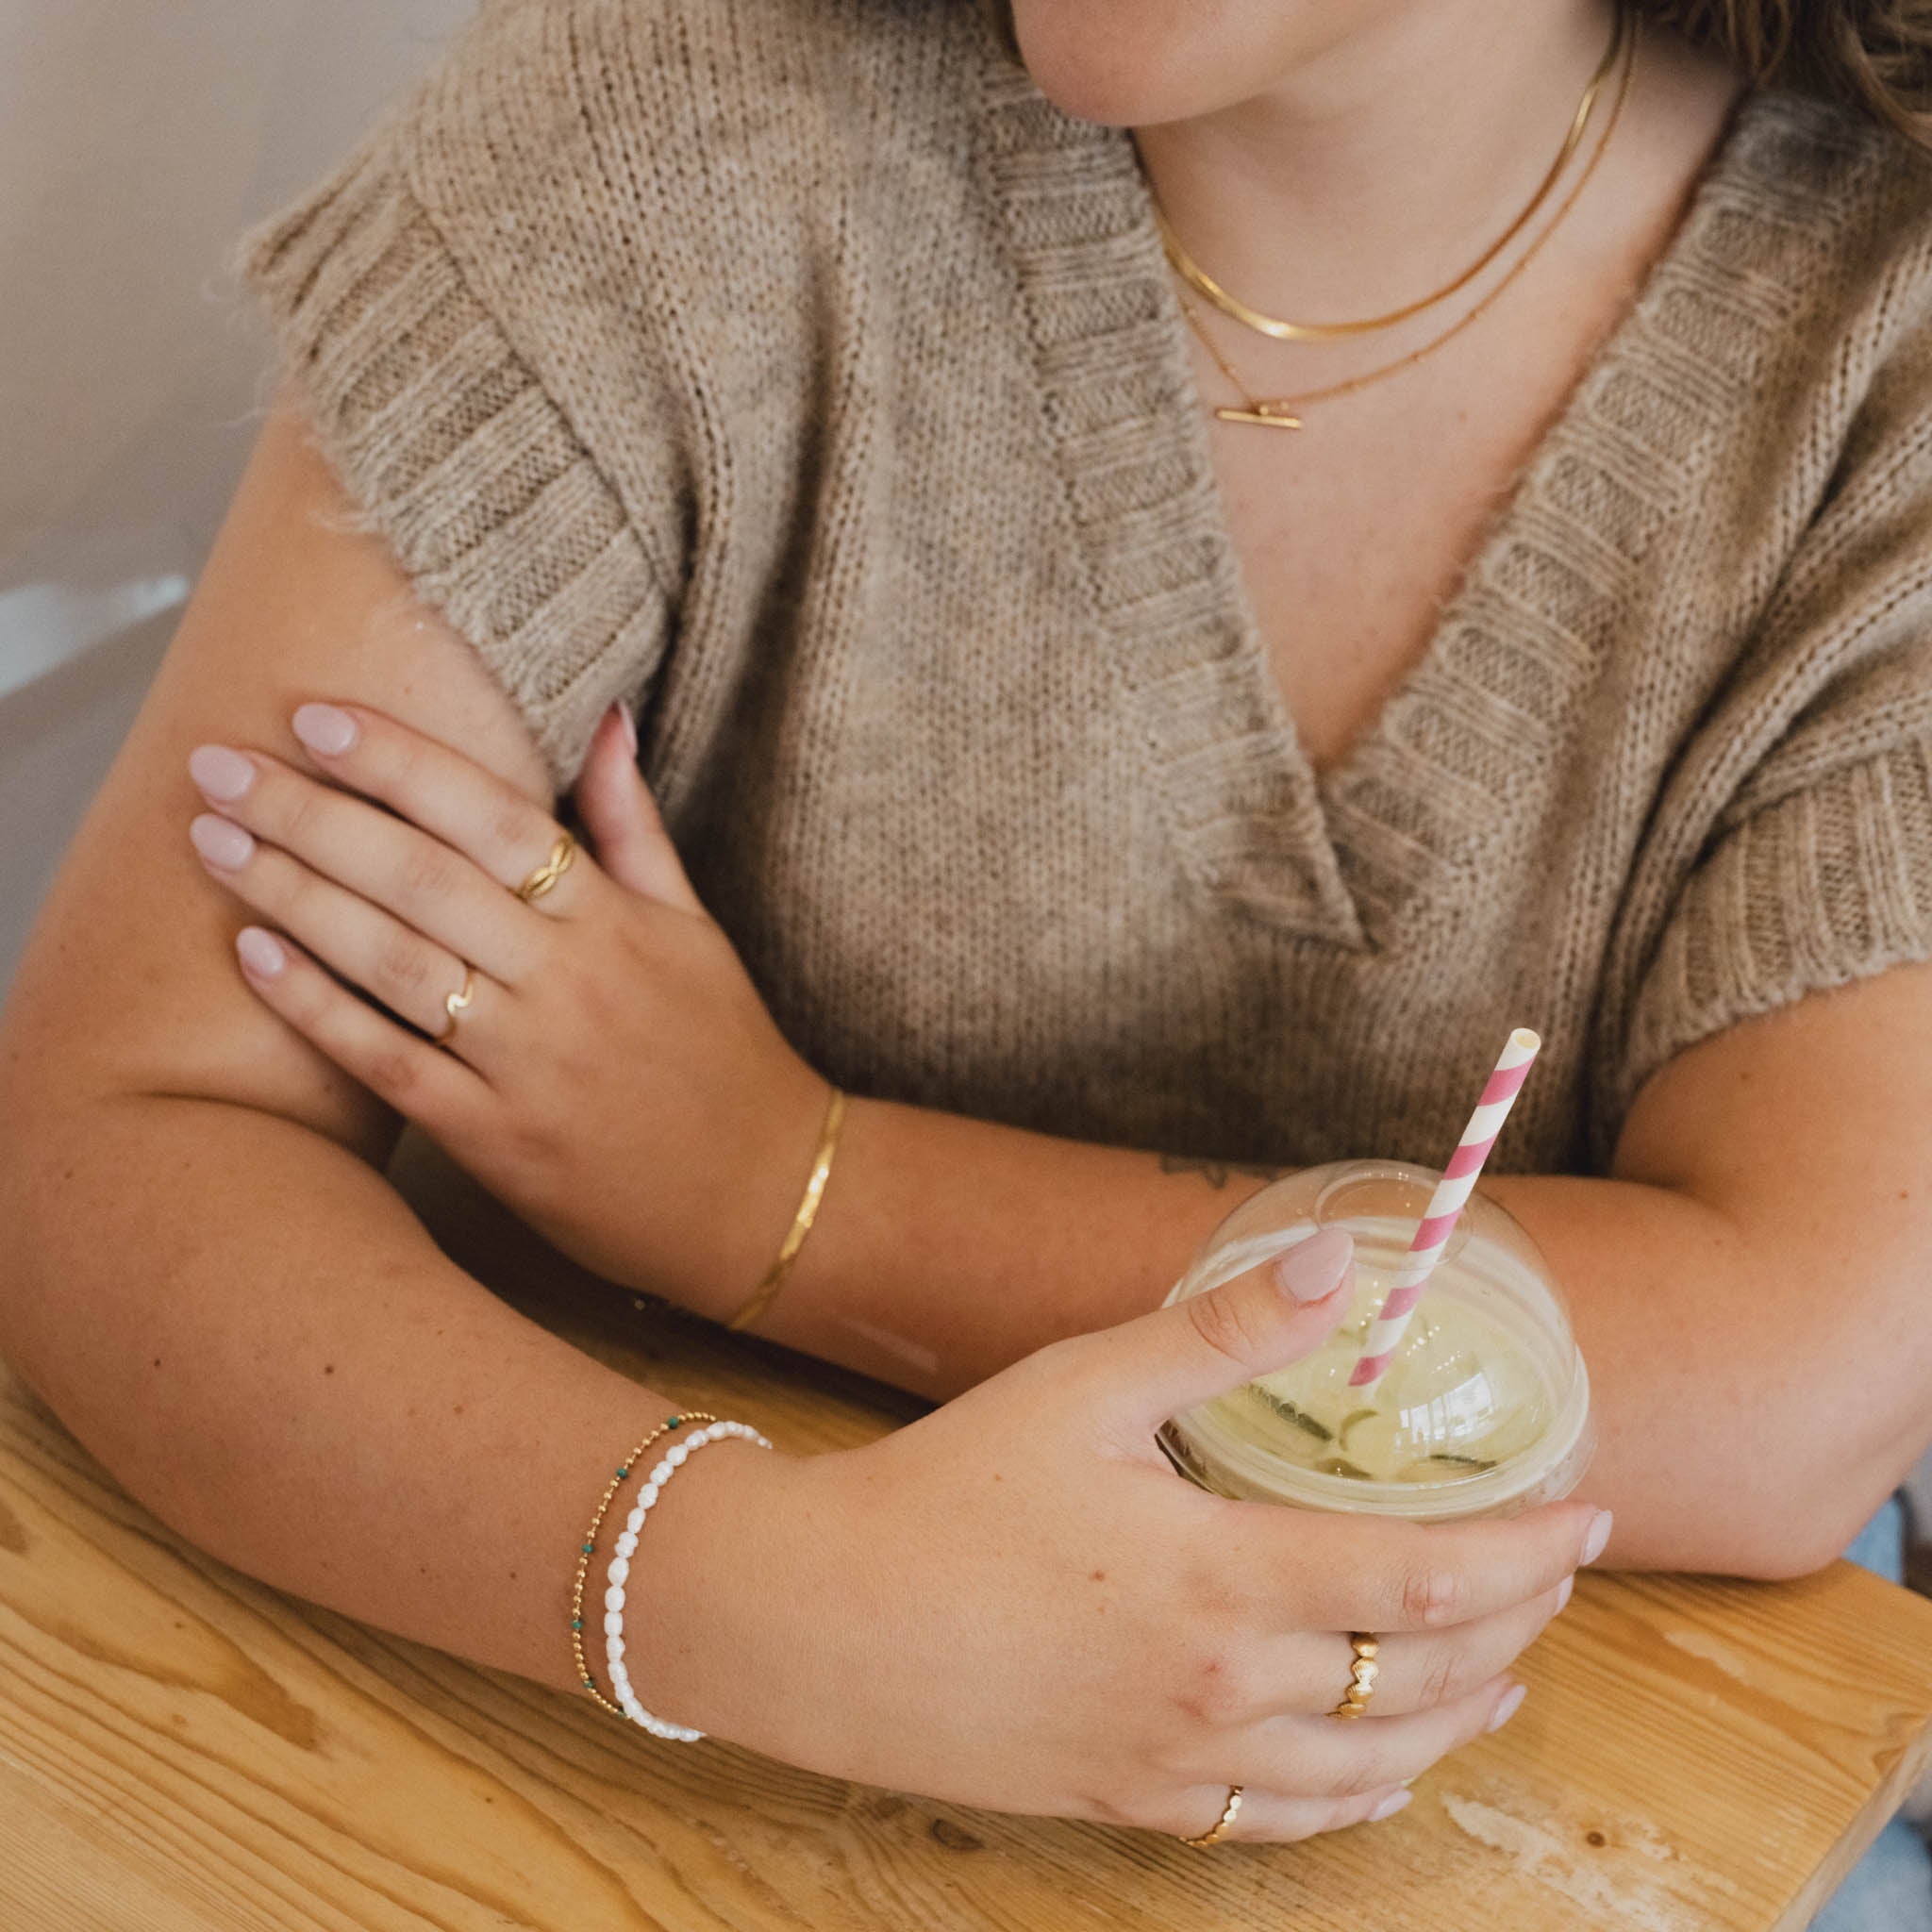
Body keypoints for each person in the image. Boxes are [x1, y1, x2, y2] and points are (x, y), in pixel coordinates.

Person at [1, 0, 1929, 1895]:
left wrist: (779, 1190)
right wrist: (760, 1592)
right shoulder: (640, 129)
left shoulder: (1883, 343)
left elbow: (1787, 1381)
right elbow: (124, 1133)